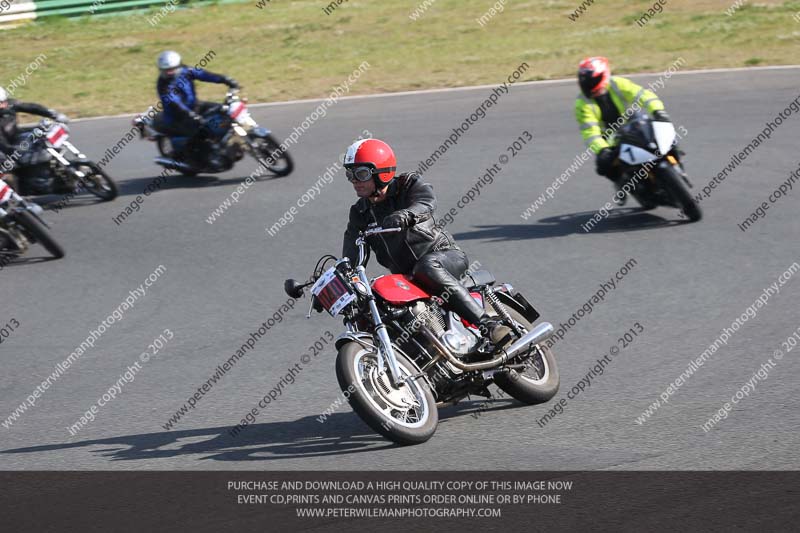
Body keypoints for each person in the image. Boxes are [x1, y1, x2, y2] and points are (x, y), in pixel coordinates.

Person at [341, 139, 507, 355]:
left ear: (381, 172)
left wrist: (406, 214)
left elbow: (426, 201)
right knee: (374, 299)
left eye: (361, 174)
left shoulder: (407, 185)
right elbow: (351, 247)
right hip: (406, 278)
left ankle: (489, 326)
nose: (355, 181)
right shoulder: (360, 212)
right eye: (350, 175)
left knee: (426, 267)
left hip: (443, 257)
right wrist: (343, 275)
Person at [575, 56, 671, 203]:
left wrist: (658, 111)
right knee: (603, 166)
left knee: (659, 132)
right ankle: (622, 183)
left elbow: (643, 95)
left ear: (604, 75)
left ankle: (675, 157)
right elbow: (590, 133)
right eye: (584, 82)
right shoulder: (582, 104)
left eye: (592, 81)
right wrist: (602, 150)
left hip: (634, 122)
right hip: (609, 136)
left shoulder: (618, 83)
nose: (589, 85)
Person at [153, 51, 239, 166]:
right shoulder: (163, 85)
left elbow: (205, 75)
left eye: (172, 69)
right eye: (165, 70)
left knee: (224, 111)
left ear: (179, 65)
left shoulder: (186, 71)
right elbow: (175, 103)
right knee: (200, 131)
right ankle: (202, 157)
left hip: (195, 105)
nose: (169, 72)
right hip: (178, 116)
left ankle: (223, 141)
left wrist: (225, 79)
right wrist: (190, 114)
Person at [0, 87, 69, 194]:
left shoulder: (10, 104)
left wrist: (51, 114)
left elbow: (31, 107)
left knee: (45, 138)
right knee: (12, 166)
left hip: (16, 136)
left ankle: (62, 170)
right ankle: (22, 192)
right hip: (4, 149)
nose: (3, 105)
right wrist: (15, 151)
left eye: (3, 102)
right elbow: (2, 144)